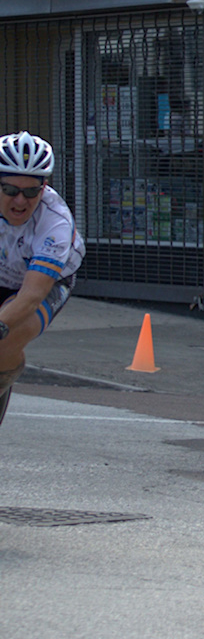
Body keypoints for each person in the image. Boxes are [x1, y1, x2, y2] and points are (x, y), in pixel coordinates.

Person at [0, 132, 84, 426]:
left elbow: (30, 297)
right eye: (10, 189)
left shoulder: (55, 222)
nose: (20, 200)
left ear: (44, 187)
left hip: (43, 284)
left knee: (7, 338)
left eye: (31, 192)